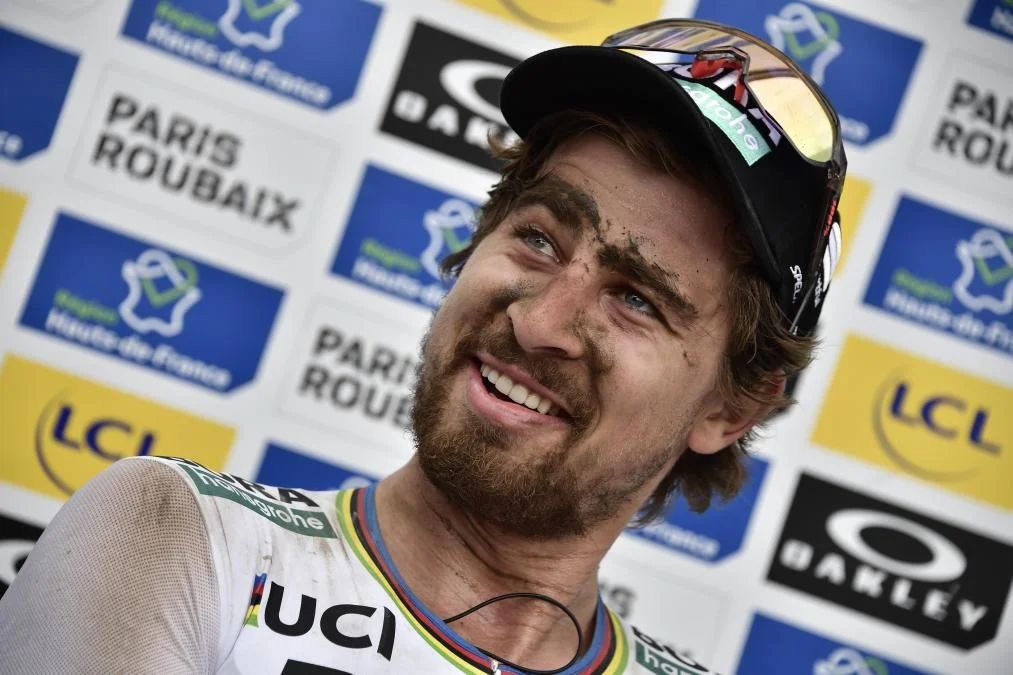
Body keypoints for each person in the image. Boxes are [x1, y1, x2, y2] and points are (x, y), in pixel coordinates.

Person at [0, 18, 846, 675]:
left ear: (731, 406)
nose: (540, 323)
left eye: (635, 298)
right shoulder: (177, 537)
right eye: (539, 238)